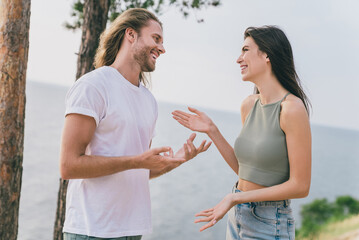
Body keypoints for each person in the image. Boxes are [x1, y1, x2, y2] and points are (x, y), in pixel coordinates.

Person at [60, 8, 211, 240]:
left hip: (133, 230)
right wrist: (136, 161)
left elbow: (140, 169)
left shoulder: (148, 100)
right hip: (92, 231)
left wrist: (175, 160)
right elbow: (69, 165)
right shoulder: (93, 86)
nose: (162, 48)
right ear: (131, 35)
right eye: (156, 38)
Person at [172, 25, 311, 239]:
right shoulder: (248, 105)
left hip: (269, 221)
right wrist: (212, 130)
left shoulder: (292, 109)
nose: (238, 59)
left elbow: (300, 186)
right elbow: (244, 171)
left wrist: (234, 199)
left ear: (266, 54)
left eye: (245, 50)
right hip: (237, 217)